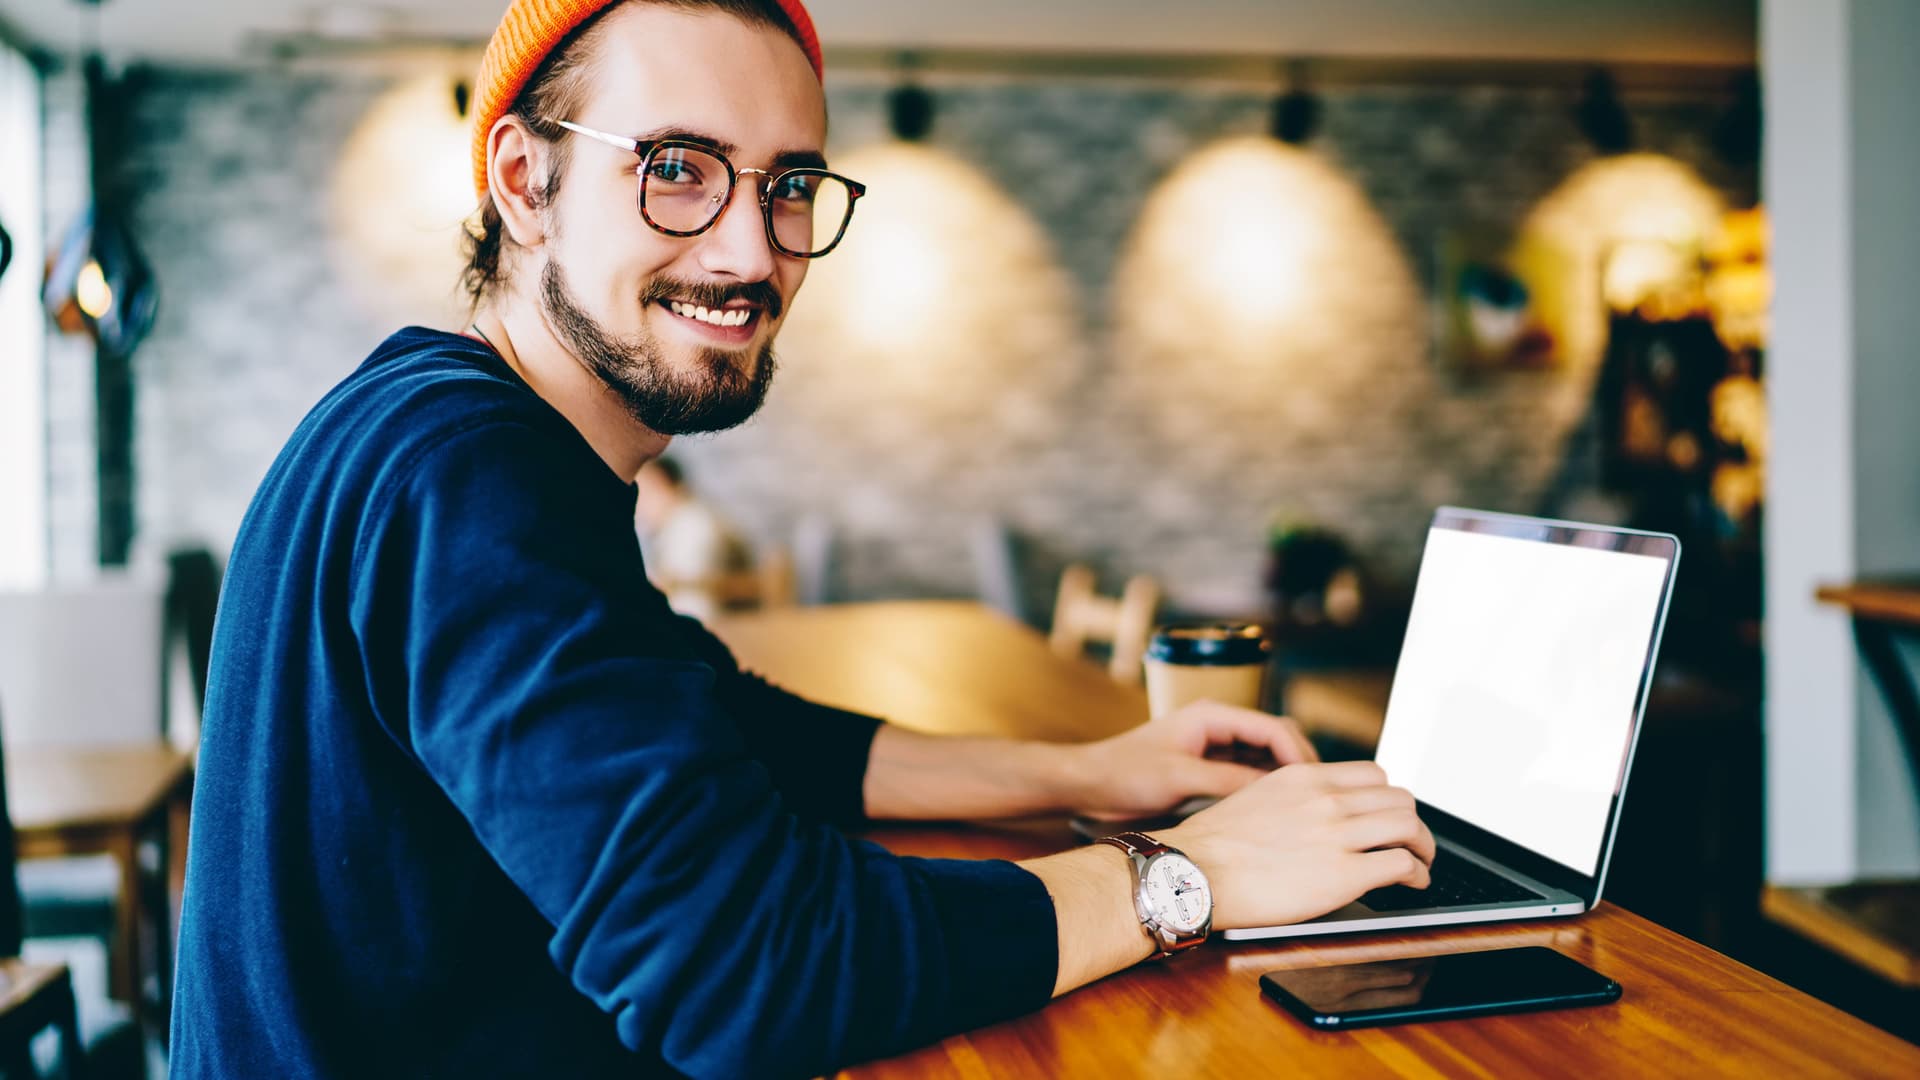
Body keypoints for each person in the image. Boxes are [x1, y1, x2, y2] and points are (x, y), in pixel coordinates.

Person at [169, 1, 1434, 1076]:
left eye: (787, 185)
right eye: (675, 165)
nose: (747, 249)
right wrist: (1183, 880)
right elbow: (747, 970)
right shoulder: (476, 471)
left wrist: (1083, 778)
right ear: (523, 180)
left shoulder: (430, 416)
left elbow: (725, 723)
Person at [632, 455, 753, 620]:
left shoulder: (691, 527)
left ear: (663, 484)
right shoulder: (689, 520)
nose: (639, 505)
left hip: (723, 627)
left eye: (644, 491)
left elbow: (691, 605)